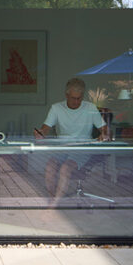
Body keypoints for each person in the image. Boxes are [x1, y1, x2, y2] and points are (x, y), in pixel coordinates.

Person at [33, 77, 109, 209]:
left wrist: (105, 134)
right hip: (63, 147)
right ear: (66, 95)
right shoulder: (56, 108)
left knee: (65, 168)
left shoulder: (90, 107)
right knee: (50, 167)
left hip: (82, 148)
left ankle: (54, 206)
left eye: (79, 98)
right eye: (73, 98)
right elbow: (45, 128)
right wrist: (41, 133)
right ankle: (52, 198)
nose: (76, 102)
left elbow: (105, 129)